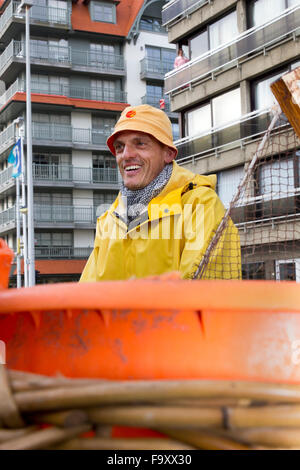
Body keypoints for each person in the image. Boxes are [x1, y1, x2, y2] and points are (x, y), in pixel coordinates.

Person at [80, 104, 241, 282]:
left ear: (168, 153)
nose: (126, 155)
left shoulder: (200, 205)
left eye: (140, 143)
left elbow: (207, 294)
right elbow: (84, 296)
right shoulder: (108, 220)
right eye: (119, 147)